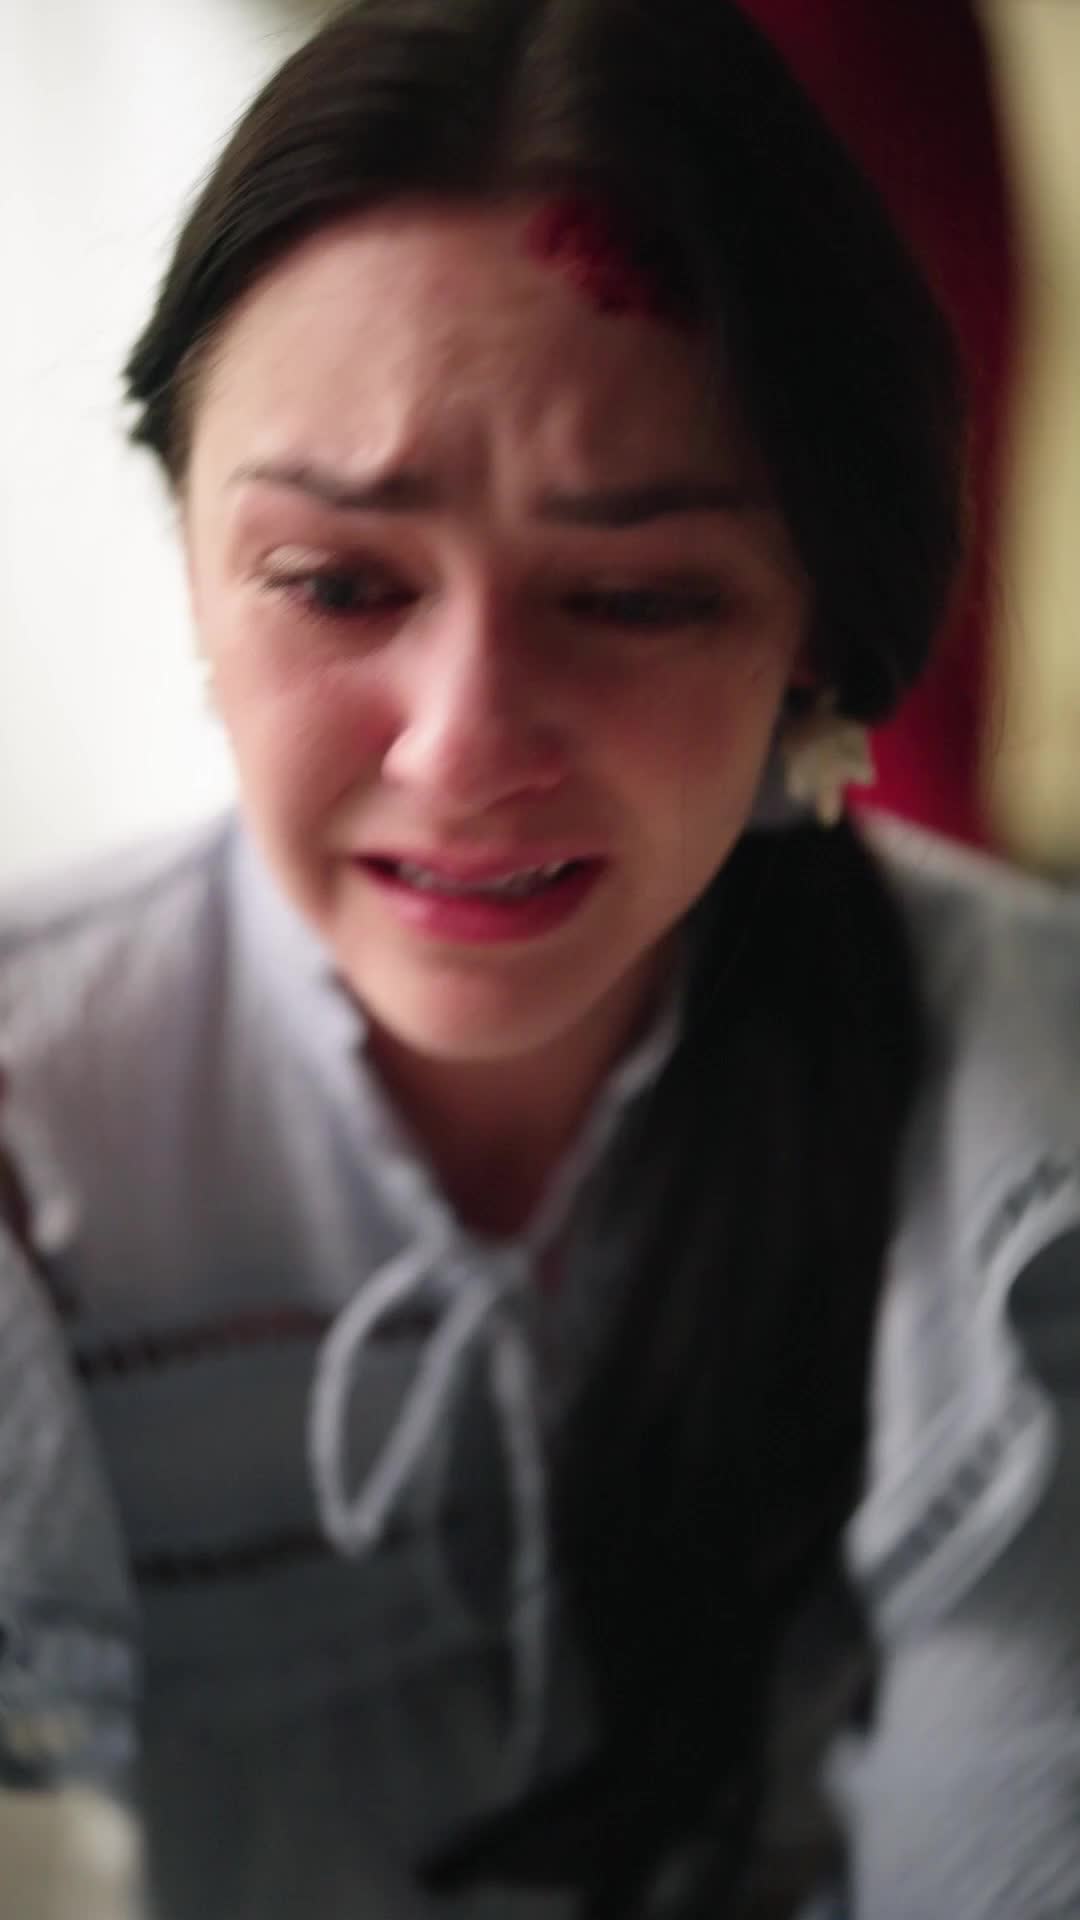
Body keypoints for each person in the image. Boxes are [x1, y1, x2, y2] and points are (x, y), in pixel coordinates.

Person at [0, 3, 1077, 1916]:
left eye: (637, 596)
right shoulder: (33, 1137)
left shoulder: (1024, 1148)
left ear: (816, 626)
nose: (466, 746)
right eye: (340, 582)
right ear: (189, 560)